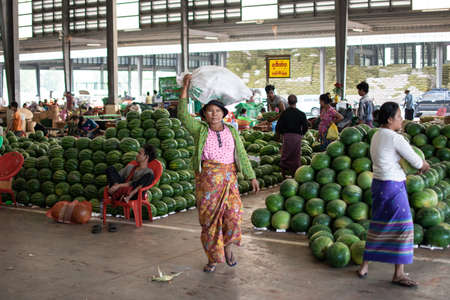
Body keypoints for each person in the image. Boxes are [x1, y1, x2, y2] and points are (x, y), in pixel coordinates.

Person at [178, 74, 259, 273]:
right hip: (208, 184)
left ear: (223, 113)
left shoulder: (232, 131)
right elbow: (182, 115)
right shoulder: (200, 130)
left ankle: (229, 250)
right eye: (209, 111)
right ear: (204, 114)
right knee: (210, 222)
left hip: (230, 181)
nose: (214, 114)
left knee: (233, 216)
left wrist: (251, 176)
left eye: (217, 111)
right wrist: (186, 88)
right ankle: (213, 257)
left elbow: (240, 154)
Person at [357, 102, 430, 288]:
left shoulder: (376, 135)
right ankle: (399, 274)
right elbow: (415, 161)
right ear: (389, 119)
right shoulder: (395, 138)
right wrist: (424, 166)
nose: (402, 120)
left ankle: (364, 267)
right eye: (399, 116)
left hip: (378, 184)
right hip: (393, 187)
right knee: (404, 228)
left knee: (378, 226)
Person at [92, 144, 156, 233]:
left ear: (146, 157)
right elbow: (116, 176)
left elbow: (135, 184)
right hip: (120, 190)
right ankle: (119, 193)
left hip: (135, 194)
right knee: (110, 169)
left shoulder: (148, 172)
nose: (136, 155)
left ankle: (123, 194)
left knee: (146, 178)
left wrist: (118, 186)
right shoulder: (130, 167)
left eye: (139, 153)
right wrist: (114, 184)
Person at [275, 95, 308, 176]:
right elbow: (306, 127)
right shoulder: (301, 114)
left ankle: (283, 174)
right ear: (296, 102)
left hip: (287, 136)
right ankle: (295, 174)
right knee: (296, 155)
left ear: (288, 102)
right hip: (297, 137)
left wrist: (282, 134)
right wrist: (301, 134)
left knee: (286, 154)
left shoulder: (284, 114)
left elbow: (278, 126)